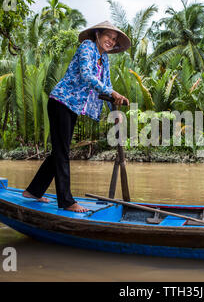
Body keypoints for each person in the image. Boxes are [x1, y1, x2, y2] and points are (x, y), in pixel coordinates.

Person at [22, 21, 130, 212]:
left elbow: (106, 85)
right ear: (97, 34)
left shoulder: (104, 59)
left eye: (114, 40)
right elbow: (88, 76)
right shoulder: (87, 47)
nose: (111, 41)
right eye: (108, 37)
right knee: (62, 153)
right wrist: (113, 94)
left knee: (59, 151)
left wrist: (115, 110)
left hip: (73, 107)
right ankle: (66, 201)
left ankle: (33, 191)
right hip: (61, 101)